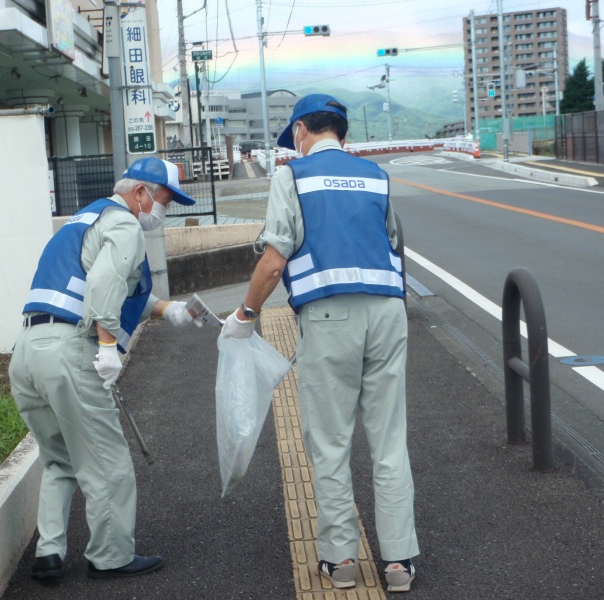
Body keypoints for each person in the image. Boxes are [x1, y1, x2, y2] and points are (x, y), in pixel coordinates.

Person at [220, 94, 419, 592]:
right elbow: (394, 240)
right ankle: (399, 564)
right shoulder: (376, 176)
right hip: (388, 313)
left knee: (331, 443)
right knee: (389, 440)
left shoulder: (292, 176)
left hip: (330, 316)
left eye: (295, 136)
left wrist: (246, 313)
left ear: (303, 130)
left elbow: (273, 260)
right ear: (343, 134)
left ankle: (340, 561)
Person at [9, 157, 201, 581]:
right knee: (107, 460)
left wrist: (167, 309)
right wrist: (109, 347)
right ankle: (111, 556)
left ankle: (50, 552)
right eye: (164, 201)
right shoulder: (125, 223)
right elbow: (103, 287)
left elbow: (92, 282)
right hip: (70, 352)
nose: (162, 212)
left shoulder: (85, 217)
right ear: (140, 193)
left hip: (27, 349)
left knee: (60, 460)